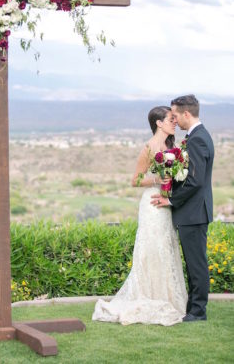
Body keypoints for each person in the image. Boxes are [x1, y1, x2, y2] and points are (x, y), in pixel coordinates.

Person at [92, 106, 187, 326]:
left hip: (167, 204)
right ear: (159, 123)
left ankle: (170, 298)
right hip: (152, 204)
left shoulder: (174, 148)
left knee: (166, 246)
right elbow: (134, 180)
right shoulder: (149, 148)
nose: (175, 123)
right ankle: (149, 295)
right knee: (152, 247)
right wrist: (158, 180)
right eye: (170, 120)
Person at [151, 95, 214, 322]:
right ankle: (193, 307)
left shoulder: (197, 139)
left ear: (186, 114)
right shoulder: (196, 137)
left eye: (176, 115)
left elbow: (195, 181)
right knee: (194, 262)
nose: (175, 119)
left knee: (197, 264)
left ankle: (198, 311)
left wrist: (171, 200)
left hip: (194, 213)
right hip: (193, 212)